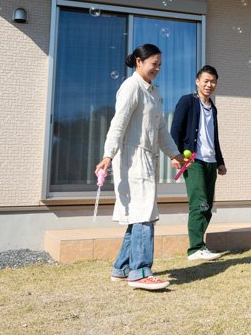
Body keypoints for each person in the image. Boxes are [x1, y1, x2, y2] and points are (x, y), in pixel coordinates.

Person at [95, 43, 184, 291]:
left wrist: (175, 153)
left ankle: (122, 268)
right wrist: (108, 155)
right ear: (139, 62)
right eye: (154, 64)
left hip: (146, 157)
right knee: (144, 213)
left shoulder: (153, 92)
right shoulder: (131, 86)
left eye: (160, 65)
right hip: (131, 158)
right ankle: (141, 272)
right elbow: (118, 123)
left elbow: (160, 129)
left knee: (138, 214)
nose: (158, 69)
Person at [170, 65, 227, 261]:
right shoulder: (187, 101)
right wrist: (174, 155)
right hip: (193, 160)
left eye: (213, 81)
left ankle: (200, 245)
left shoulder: (213, 108)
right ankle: (195, 248)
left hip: (211, 161)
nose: (209, 85)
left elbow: (214, 137)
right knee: (199, 202)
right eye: (206, 81)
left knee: (207, 206)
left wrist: (220, 161)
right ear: (197, 81)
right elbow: (176, 129)